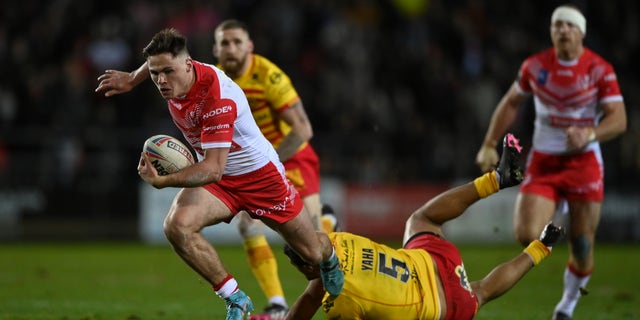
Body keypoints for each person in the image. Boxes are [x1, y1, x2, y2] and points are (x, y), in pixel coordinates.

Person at [95, 20, 337, 318]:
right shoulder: (175, 72)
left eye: (167, 72)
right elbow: (160, 62)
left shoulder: (216, 98)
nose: (160, 81)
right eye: (155, 73)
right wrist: (134, 77)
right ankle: (235, 298)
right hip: (221, 182)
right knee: (177, 226)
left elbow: (212, 169)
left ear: (188, 65)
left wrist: (163, 181)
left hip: (260, 178)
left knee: (312, 254)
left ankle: (334, 257)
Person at [283, 133, 565, 319]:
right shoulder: (339, 240)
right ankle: (496, 179)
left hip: (442, 307)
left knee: (481, 292)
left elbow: (312, 298)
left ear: (308, 267)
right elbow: (310, 294)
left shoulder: (340, 304)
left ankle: (542, 246)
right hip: (431, 260)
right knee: (421, 220)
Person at [474, 5, 627, 320]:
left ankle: (566, 306)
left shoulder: (599, 69)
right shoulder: (535, 66)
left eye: (570, 25)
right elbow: (510, 102)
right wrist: (489, 143)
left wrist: (590, 133)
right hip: (544, 162)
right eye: (557, 25)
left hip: (584, 163)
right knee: (526, 233)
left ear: (581, 32)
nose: (563, 30)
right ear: (551, 31)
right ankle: (560, 208)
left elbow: (620, 119)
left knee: (582, 246)